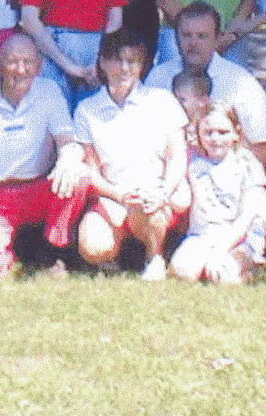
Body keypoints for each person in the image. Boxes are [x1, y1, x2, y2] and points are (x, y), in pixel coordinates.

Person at [0, 34, 91, 278]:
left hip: (38, 190)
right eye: (12, 61)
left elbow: (67, 142)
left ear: (39, 66)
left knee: (78, 173)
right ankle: (16, 247)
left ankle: (53, 251)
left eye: (28, 62)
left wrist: (68, 159)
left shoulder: (49, 90)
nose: (20, 69)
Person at [73, 28, 191, 280]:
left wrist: (163, 191)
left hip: (154, 195)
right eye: (118, 60)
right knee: (93, 247)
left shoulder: (163, 100)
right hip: (114, 196)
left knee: (147, 209)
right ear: (103, 62)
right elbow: (91, 170)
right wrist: (117, 194)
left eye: (133, 61)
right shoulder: (86, 109)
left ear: (142, 65)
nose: (125, 68)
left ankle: (154, 256)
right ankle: (116, 256)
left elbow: (177, 157)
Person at [168, 70, 266, 284]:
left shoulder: (247, 163)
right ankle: (209, 265)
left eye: (223, 132)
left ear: (236, 132)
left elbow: (246, 217)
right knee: (181, 272)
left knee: (222, 274)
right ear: (198, 133)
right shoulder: (193, 160)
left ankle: (245, 270)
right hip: (202, 235)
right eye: (208, 132)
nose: (215, 139)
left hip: (238, 237)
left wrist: (221, 250)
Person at [144, 1, 266, 169]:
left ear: (217, 39)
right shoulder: (158, 77)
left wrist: (229, 175)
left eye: (202, 36)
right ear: (176, 38)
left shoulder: (241, 82)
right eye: (186, 35)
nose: (193, 43)